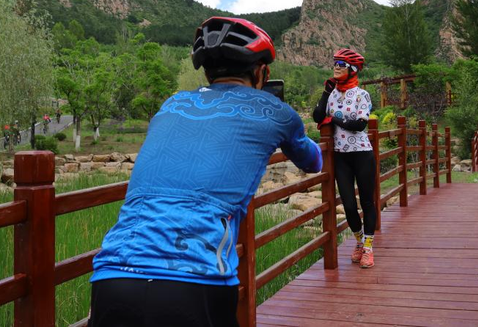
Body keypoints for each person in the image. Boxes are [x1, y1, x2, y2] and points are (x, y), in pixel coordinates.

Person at [88, 17, 322, 326]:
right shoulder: (276, 111)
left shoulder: (172, 104)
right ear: (261, 72)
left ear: (207, 72)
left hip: (112, 277)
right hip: (196, 282)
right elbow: (313, 161)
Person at [312, 48, 377, 269]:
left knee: (367, 202)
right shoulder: (332, 95)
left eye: (341, 64)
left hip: (362, 154)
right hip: (341, 157)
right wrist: (325, 92)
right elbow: (317, 117)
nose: (336, 67)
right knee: (348, 205)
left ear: (353, 69)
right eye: (335, 63)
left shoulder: (362, 95)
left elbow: (359, 124)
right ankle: (359, 242)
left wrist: (334, 120)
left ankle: (368, 248)